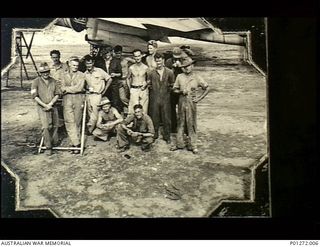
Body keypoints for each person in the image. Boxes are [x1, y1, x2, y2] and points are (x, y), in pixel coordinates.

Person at [170, 57, 210, 154]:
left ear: (192, 66)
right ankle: (179, 144)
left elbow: (207, 88)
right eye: (184, 67)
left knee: (191, 123)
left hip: (191, 103)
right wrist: (180, 91)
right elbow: (174, 89)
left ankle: (193, 145)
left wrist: (199, 99)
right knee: (180, 123)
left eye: (188, 66)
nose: (186, 68)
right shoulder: (179, 76)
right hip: (181, 102)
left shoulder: (197, 77)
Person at [31, 62, 60, 155]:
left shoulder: (54, 81)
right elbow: (34, 96)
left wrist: (51, 104)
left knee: (55, 125)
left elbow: (57, 94)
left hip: (53, 106)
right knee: (46, 127)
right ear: (40, 73)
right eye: (43, 72)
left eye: (47, 71)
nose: (46, 73)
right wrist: (44, 105)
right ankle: (48, 146)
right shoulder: (36, 81)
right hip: (42, 107)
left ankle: (54, 142)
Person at [147, 52, 175, 143]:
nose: (158, 63)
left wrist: (167, 92)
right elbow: (149, 84)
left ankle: (167, 136)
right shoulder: (151, 73)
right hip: (154, 98)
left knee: (166, 117)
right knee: (154, 117)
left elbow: (172, 85)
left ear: (163, 61)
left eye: (160, 61)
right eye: (156, 61)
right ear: (155, 61)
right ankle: (154, 134)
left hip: (165, 98)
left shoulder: (170, 72)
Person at [60, 56, 85, 154]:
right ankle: (76, 143)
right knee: (69, 121)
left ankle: (74, 143)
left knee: (77, 121)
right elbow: (61, 88)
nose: (75, 67)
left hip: (78, 98)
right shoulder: (63, 75)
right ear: (69, 64)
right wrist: (67, 89)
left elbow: (79, 88)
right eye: (73, 65)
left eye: (77, 65)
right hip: (67, 99)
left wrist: (67, 89)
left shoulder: (81, 75)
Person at [84, 55, 112, 134]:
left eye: (90, 63)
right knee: (89, 113)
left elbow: (109, 79)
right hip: (88, 95)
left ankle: (90, 130)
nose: (89, 65)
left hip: (97, 95)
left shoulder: (99, 71)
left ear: (93, 63)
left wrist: (104, 91)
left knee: (95, 114)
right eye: (87, 63)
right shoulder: (85, 74)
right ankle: (92, 130)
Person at [165, 47, 188, 133]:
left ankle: (184, 127)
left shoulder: (184, 61)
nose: (177, 59)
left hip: (181, 87)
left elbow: (188, 72)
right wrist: (173, 68)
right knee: (171, 108)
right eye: (175, 57)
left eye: (178, 57)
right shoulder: (168, 62)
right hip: (172, 87)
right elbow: (166, 73)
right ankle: (173, 126)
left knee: (182, 108)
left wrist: (180, 67)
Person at [127, 49, 149, 114]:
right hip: (134, 89)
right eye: (136, 56)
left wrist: (145, 84)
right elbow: (128, 78)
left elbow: (149, 79)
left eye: (139, 56)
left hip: (143, 90)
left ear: (141, 56)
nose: (137, 58)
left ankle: (144, 123)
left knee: (144, 110)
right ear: (133, 57)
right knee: (133, 109)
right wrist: (130, 88)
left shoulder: (146, 67)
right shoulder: (131, 68)